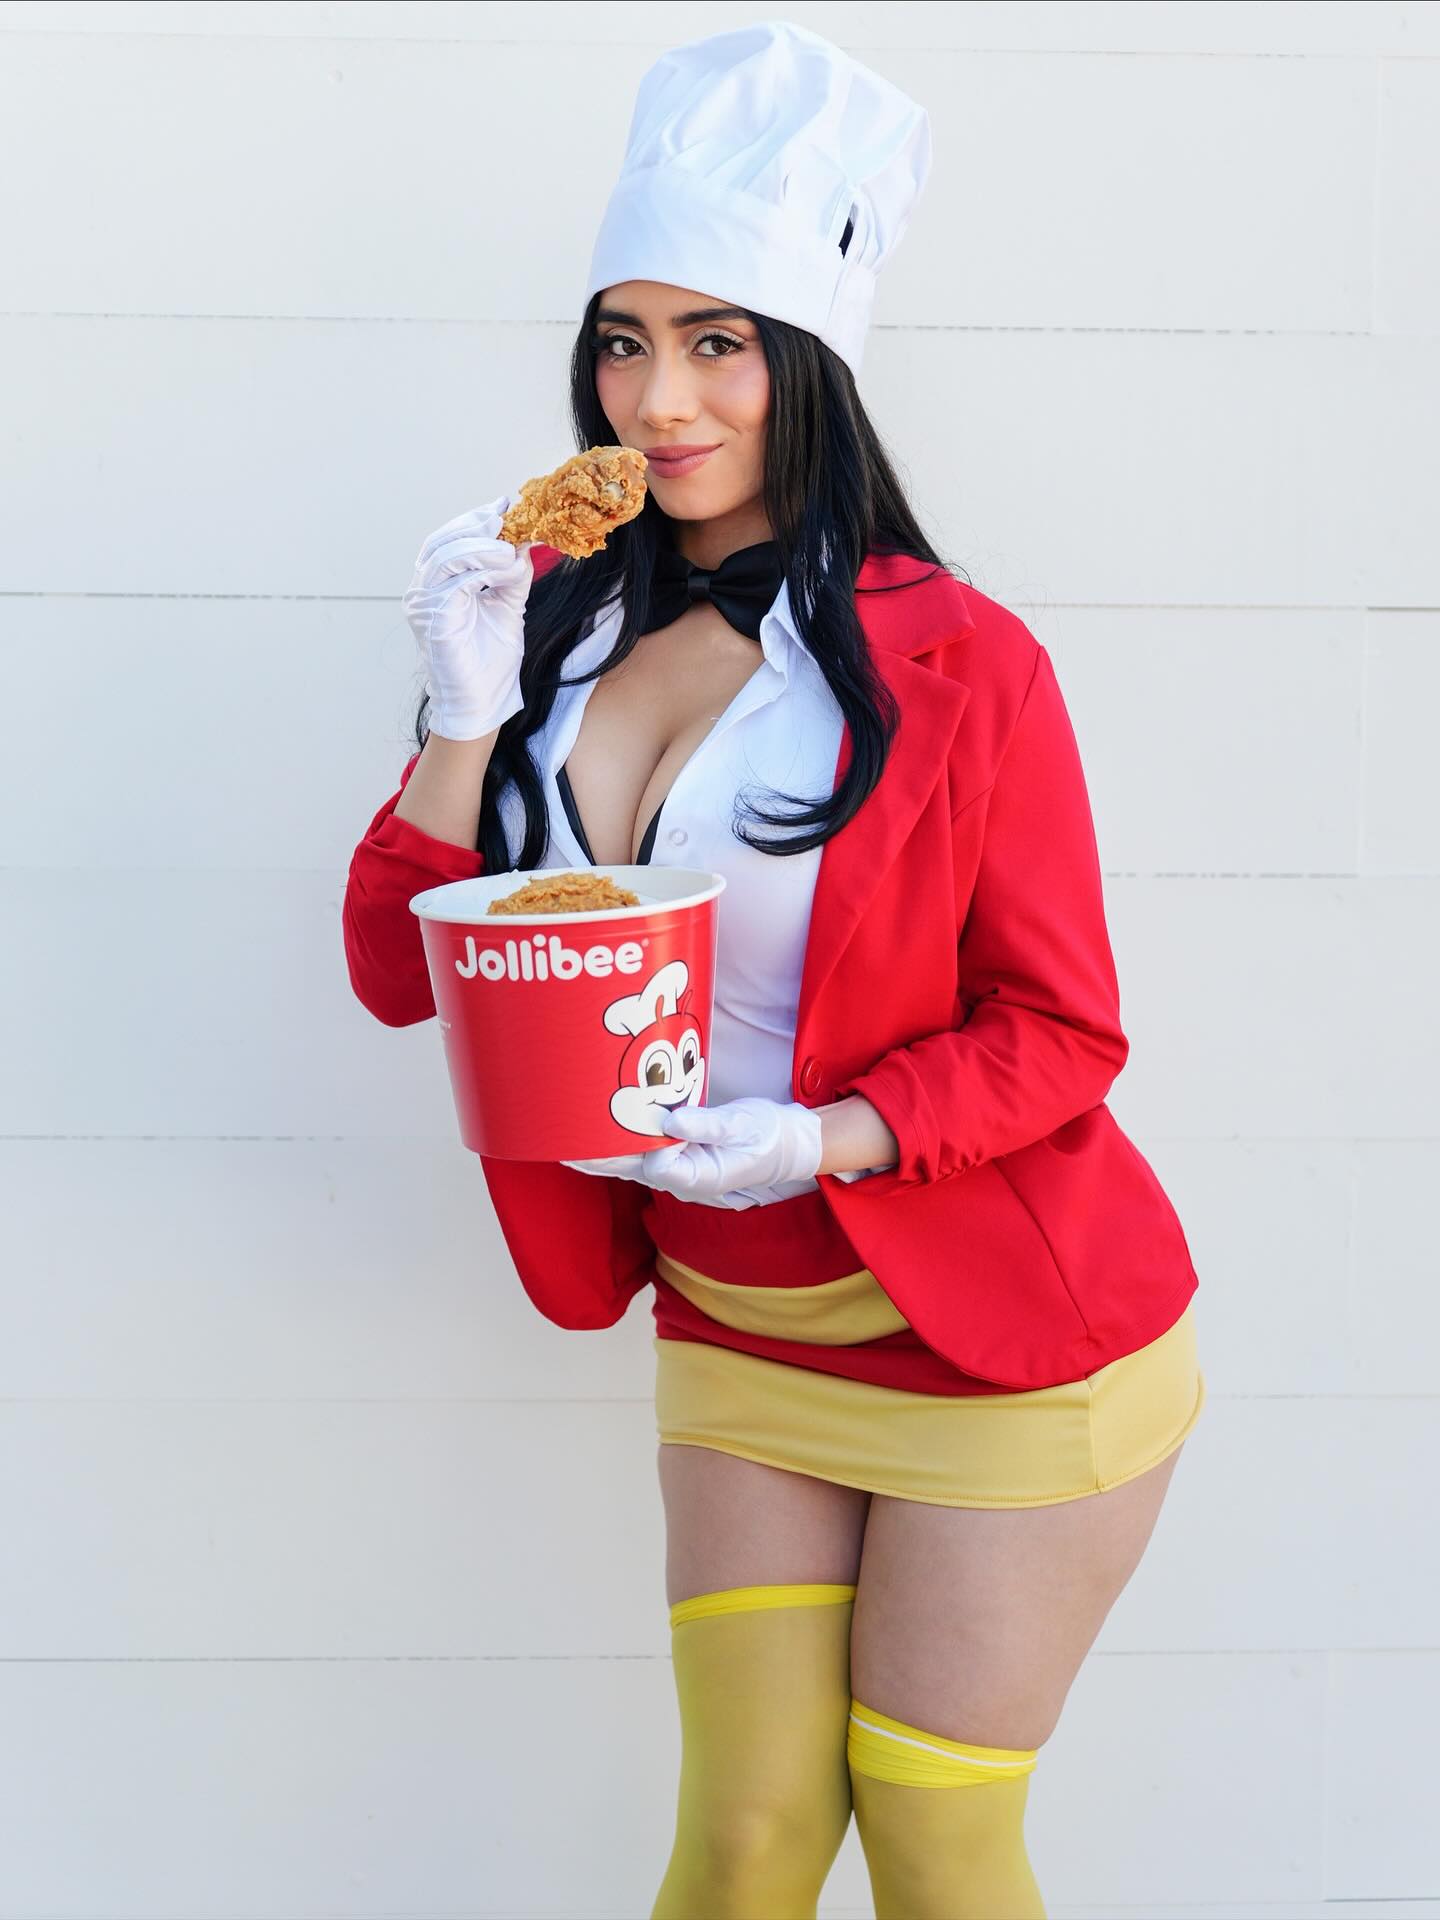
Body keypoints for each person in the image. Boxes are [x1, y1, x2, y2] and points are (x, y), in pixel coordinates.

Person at [342, 20, 1206, 1919]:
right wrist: (462, 717)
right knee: (741, 1845)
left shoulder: (966, 661)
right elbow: (404, 976)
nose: (657, 400)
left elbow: (1064, 1032)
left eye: (716, 342)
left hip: (996, 1335)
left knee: (934, 1836)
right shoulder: (542, 630)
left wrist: (827, 1137)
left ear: (805, 363)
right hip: (736, 1327)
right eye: (623, 342)